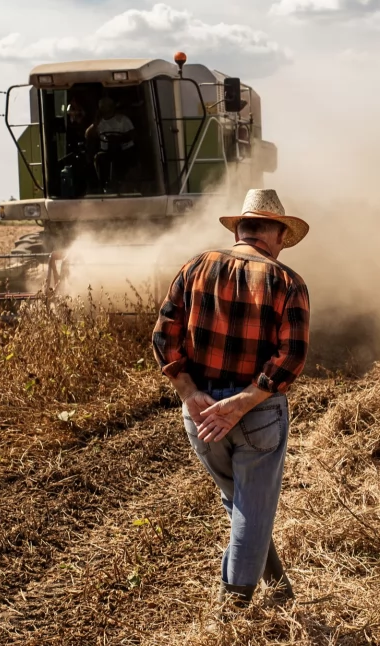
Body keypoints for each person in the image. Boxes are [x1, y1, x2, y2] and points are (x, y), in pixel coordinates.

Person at [152, 188, 311, 608]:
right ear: (278, 234)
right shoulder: (287, 282)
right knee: (252, 513)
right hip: (258, 415)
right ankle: (233, 611)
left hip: (202, 415)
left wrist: (190, 393)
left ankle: (280, 591)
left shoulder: (195, 267)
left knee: (241, 505)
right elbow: (291, 357)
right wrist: (240, 404)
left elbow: (163, 338)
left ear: (239, 229)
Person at [87, 97, 137, 191]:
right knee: (97, 159)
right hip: (105, 152)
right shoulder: (99, 123)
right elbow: (88, 135)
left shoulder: (123, 120)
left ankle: (124, 183)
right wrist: (95, 122)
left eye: (105, 107)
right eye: (101, 107)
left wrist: (119, 139)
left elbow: (133, 135)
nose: (103, 109)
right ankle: (101, 185)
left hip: (123, 151)